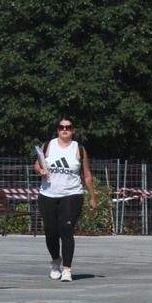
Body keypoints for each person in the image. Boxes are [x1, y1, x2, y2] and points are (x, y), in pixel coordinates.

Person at [33, 118, 96, 281]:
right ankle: (55, 261)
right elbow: (37, 165)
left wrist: (92, 197)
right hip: (48, 194)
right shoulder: (48, 146)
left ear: (73, 130)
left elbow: (87, 175)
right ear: (57, 130)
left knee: (66, 229)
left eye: (68, 127)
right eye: (61, 127)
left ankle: (67, 269)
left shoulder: (79, 149)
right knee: (50, 231)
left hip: (72, 194)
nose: (64, 129)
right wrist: (40, 170)